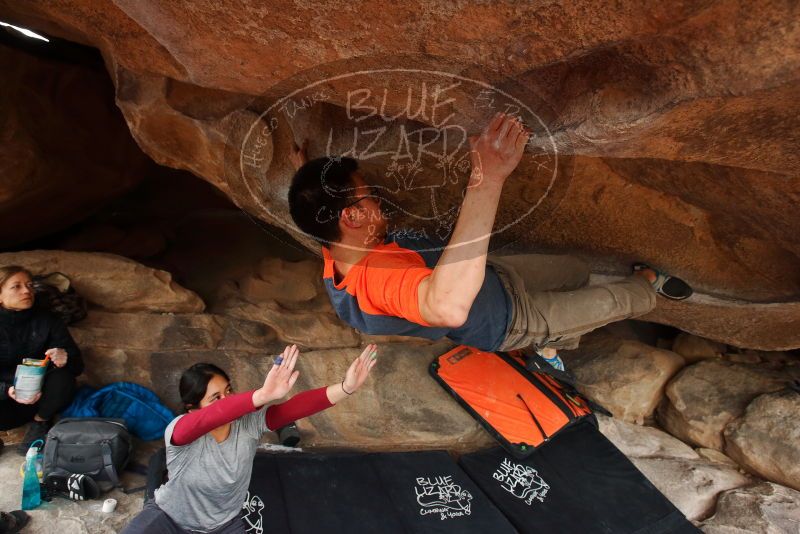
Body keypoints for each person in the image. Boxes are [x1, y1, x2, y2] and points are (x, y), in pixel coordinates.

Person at [288, 113, 692, 370]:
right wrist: (489, 176)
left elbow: (324, 209)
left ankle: (556, 341)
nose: (379, 201)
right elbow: (445, 306)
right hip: (508, 323)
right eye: (369, 196)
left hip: (496, 279)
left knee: (575, 270)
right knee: (618, 301)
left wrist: (306, 172)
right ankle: (647, 283)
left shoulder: (334, 241)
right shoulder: (375, 280)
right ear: (352, 216)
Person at [122, 343, 378, 534]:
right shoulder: (180, 430)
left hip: (224, 526)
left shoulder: (248, 423)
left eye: (229, 391)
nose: (228, 400)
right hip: (169, 520)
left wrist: (346, 388)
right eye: (215, 397)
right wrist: (262, 395)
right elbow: (211, 417)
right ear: (192, 407)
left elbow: (293, 408)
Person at [0, 266, 83, 454]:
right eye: (16, 287)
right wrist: (6, 390)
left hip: (39, 399)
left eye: (29, 285)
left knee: (64, 376)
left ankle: (40, 423)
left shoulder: (47, 320)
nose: (27, 291)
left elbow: (78, 366)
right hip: (4, 402)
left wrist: (65, 357)